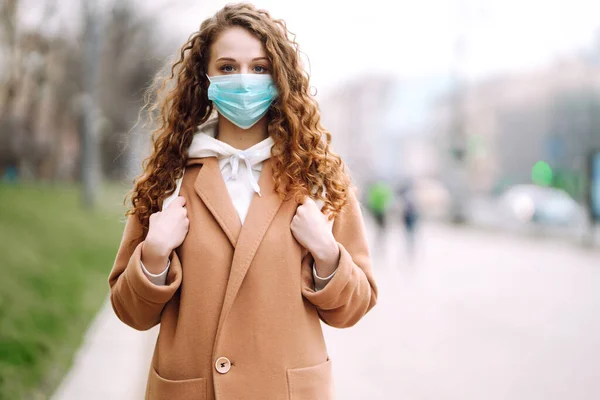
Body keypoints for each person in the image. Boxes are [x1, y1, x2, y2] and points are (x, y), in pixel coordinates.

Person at [107, 4, 378, 400]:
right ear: (205, 77)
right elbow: (131, 312)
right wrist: (153, 255)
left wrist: (326, 254)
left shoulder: (319, 180)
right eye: (228, 67)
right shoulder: (168, 179)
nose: (244, 80)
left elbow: (353, 308)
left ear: (280, 77)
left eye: (260, 67)